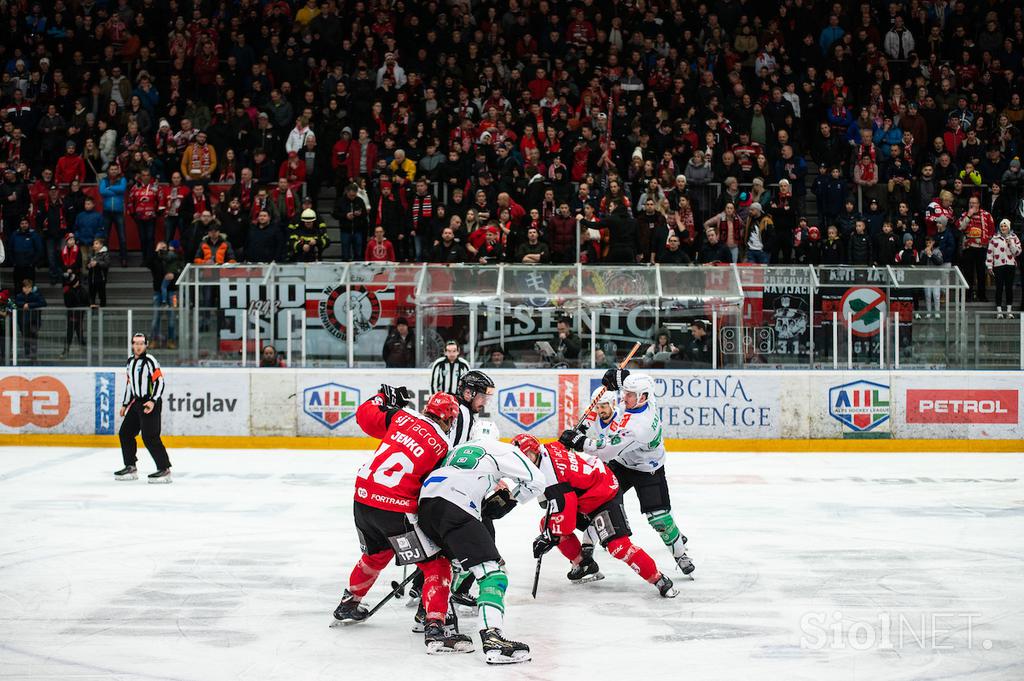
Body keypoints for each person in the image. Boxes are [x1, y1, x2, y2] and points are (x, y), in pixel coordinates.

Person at [331, 388, 472, 655]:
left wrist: (382, 398)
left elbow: (364, 416)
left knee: (376, 554)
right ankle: (435, 628)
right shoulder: (442, 446)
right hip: (394, 509)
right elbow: (433, 490)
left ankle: (349, 602)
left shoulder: (402, 417)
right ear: (450, 420)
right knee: (437, 565)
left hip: (362, 499)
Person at [418, 425, 544, 664]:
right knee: (493, 575)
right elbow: (537, 480)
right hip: (456, 504)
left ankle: (435, 628)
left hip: (426, 505)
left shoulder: (455, 450)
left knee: (444, 565)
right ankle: (493, 637)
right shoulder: (504, 449)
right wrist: (512, 498)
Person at [564, 371, 695, 575]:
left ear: (642, 397)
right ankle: (587, 549)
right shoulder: (643, 397)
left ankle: (680, 554)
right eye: (624, 392)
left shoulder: (640, 426)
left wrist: (580, 441)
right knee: (597, 502)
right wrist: (620, 377)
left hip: (647, 469)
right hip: (621, 464)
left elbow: (607, 450)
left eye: (629, 394)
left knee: (659, 518)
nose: (624, 397)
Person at [520, 433, 678, 599]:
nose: (525, 461)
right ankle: (584, 564)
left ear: (536, 451)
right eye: (522, 458)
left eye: (528, 456)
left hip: (604, 495)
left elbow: (565, 517)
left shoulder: (553, 478)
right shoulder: (547, 448)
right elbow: (561, 448)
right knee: (548, 523)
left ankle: (658, 578)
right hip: (588, 491)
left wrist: (550, 537)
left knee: (618, 547)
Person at [116, 333, 172, 483]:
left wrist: (153, 401)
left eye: (141, 343)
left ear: (146, 345)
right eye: (136, 343)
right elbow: (130, 385)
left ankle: (164, 469)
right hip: (136, 404)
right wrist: (125, 404)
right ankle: (130, 466)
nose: (138, 346)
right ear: (132, 345)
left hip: (149, 403)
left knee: (150, 437)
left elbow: (160, 382)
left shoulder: (150, 361)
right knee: (125, 433)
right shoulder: (129, 362)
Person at [959, 196, 995, 303]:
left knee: (981, 273)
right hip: (968, 247)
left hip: (982, 248)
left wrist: (987, 241)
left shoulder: (987, 215)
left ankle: (982, 295)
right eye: (970, 203)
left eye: (974, 203)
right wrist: (969, 216)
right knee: (968, 273)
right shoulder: (965, 214)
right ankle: (968, 296)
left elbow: (992, 230)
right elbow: (960, 227)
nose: (972, 205)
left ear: (979, 204)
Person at [987, 219, 1022, 319]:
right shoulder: (994, 238)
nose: (1003, 228)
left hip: (1010, 265)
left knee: (1009, 288)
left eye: (1005, 226)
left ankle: (1009, 311)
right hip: (998, 266)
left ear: (1009, 227)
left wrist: (1011, 244)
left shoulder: (1014, 237)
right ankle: (999, 312)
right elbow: (990, 253)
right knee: (999, 288)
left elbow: (1017, 252)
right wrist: (989, 266)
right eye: (1002, 226)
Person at [13, 278, 46, 361]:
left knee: (33, 336)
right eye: (25, 287)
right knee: (26, 337)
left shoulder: (36, 295)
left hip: (34, 320)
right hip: (22, 320)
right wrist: (24, 304)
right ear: (22, 288)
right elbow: (16, 303)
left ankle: (33, 355)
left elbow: (43, 303)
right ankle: (27, 354)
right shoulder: (19, 296)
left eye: (28, 287)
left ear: (31, 288)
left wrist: (29, 305)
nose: (27, 289)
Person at [61, 271, 89, 357]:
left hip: (80, 315)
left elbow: (86, 302)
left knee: (79, 333)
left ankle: (85, 351)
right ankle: (66, 351)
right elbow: (68, 304)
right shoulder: (68, 291)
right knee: (70, 333)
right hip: (72, 316)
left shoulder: (82, 290)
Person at [917, 235, 945, 319]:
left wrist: (931, 255)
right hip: (926, 277)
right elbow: (921, 264)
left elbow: (939, 262)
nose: (928, 244)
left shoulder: (937, 251)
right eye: (927, 242)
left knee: (936, 295)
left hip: (936, 277)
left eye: (930, 242)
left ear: (933, 242)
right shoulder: (923, 252)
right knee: (928, 295)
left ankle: (937, 312)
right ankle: (928, 312)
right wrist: (926, 254)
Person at [86, 238, 110, 307]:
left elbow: (107, 264)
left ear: (101, 245)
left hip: (101, 278)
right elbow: (87, 265)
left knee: (101, 294)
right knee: (91, 293)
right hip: (91, 278)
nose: (94, 245)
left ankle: (103, 306)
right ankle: (92, 305)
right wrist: (89, 265)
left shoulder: (105, 254)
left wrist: (97, 263)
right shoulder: (91, 254)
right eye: (94, 244)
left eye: (96, 243)